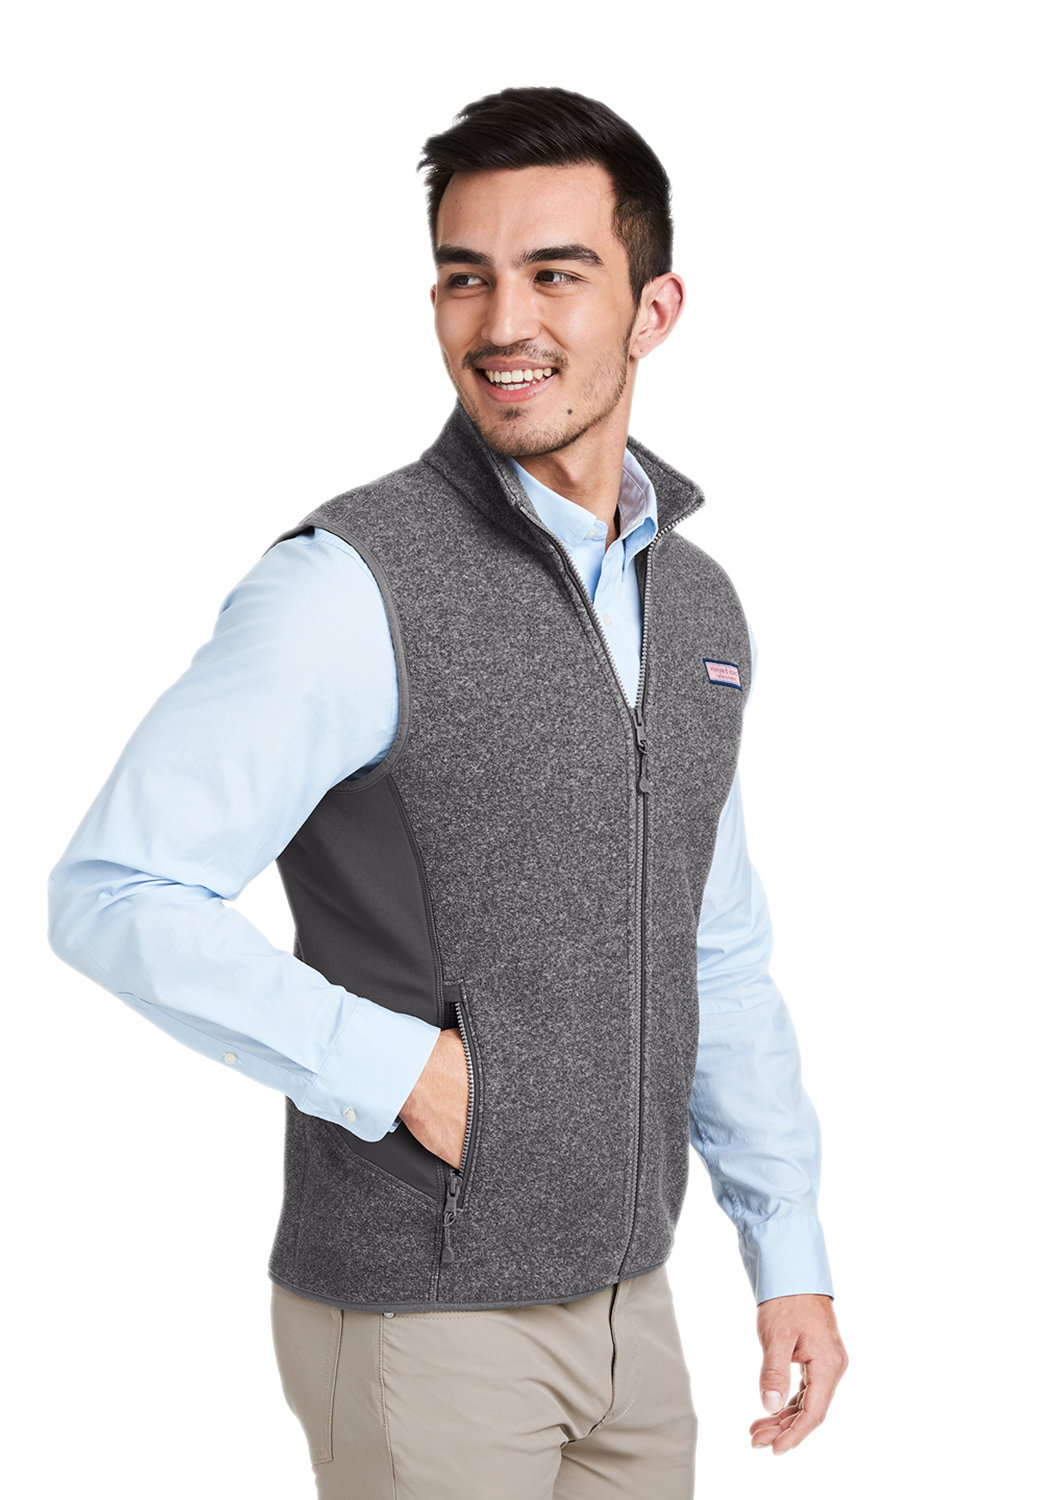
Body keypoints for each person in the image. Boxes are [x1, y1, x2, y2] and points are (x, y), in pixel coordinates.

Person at [48, 85, 847, 1498]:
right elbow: (117, 893)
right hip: (424, 1319)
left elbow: (714, 947)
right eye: (465, 277)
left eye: (557, 274)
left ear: (654, 311)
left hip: (634, 1303)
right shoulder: (349, 586)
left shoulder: (699, 607)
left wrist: (788, 1251)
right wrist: (399, 1073)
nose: (501, 322)